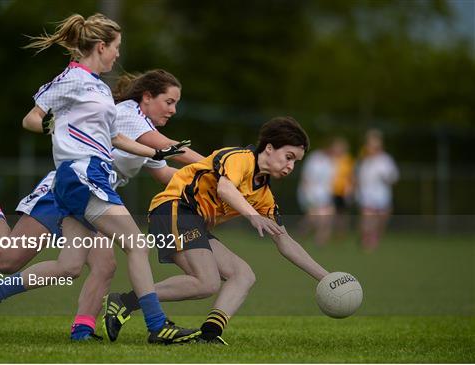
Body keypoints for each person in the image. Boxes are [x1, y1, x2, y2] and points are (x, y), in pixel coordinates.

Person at [0, 13, 198, 344]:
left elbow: (114, 138)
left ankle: (72, 328)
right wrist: (48, 124)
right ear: (101, 46)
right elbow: (31, 119)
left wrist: (155, 154)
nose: (118, 55)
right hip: (81, 175)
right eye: (116, 47)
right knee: (135, 244)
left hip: (85, 178)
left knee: (72, 264)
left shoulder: (101, 89)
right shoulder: (72, 79)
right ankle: (157, 325)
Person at [104, 117, 329, 344]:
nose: (291, 166)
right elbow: (225, 188)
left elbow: (285, 241)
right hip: (173, 207)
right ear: (269, 148)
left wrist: (325, 278)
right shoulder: (240, 158)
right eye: (288, 157)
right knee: (206, 282)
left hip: (192, 221)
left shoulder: (264, 196)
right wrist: (253, 215)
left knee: (243, 275)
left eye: (296, 162)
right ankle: (126, 302)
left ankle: (209, 334)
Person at [356, 129, 399, 251]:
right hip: (367, 196)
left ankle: (374, 238)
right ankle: (366, 239)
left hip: (383, 196)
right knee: (368, 218)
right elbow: (358, 177)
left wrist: (387, 179)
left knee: (381, 220)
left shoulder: (386, 160)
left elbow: (393, 177)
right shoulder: (364, 160)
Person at [297, 143, 335, 245]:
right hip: (311, 193)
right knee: (313, 218)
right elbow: (306, 177)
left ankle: (320, 240)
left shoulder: (332, 161)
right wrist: (308, 194)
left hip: (324, 194)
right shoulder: (315, 158)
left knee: (326, 216)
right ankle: (300, 234)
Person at [329, 137, 354, 238]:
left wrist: (351, 189)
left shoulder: (348, 160)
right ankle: (328, 232)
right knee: (330, 212)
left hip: (343, 191)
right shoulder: (330, 159)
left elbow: (351, 176)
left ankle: (340, 234)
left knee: (342, 214)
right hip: (330, 190)